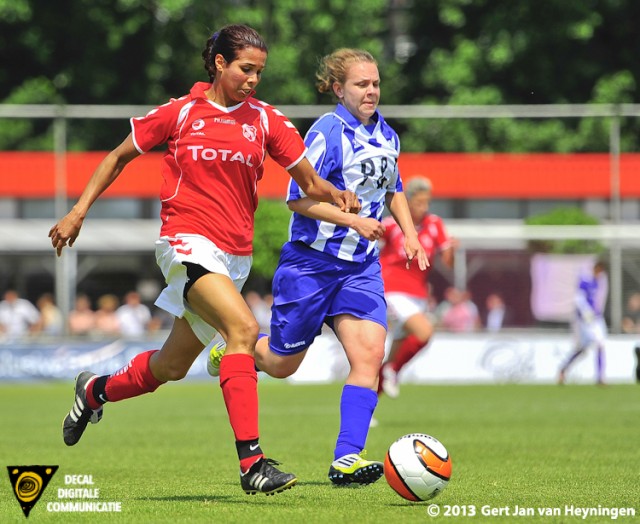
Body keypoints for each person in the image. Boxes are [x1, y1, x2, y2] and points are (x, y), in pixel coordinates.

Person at [48, 24, 359, 496]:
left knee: (169, 369)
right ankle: (252, 463)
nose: (254, 79)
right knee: (243, 330)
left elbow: (310, 182)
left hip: (233, 257)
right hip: (186, 242)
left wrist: (338, 195)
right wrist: (77, 211)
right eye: (245, 68)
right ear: (219, 64)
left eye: (259, 71)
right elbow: (117, 156)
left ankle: (93, 391)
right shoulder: (181, 112)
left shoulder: (267, 121)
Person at [207, 48, 428, 486]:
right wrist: (352, 219)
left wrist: (411, 235)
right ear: (337, 88)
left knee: (369, 355)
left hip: (360, 268)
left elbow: (394, 187)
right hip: (310, 265)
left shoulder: (388, 135)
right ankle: (235, 349)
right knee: (283, 364)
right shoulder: (326, 132)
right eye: (361, 84)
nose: (371, 91)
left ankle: (347, 457)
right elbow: (296, 197)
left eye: (376, 83)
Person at [377, 176, 456, 400]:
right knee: (424, 331)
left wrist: (451, 251)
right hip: (392, 289)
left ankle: (368, 407)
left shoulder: (435, 224)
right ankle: (394, 371)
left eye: (427, 202)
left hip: (418, 293)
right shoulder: (392, 224)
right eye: (419, 202)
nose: (424, 207)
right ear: (407, 201)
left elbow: (447, 262)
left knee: (394, 354)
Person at [558, 260, 608, 385]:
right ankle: (563, 369)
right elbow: (579, 299)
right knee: (583, 348)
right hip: (584, 320)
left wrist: (595, 313)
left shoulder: (598, 282)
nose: (599, 274)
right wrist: (586, 312)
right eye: (598, 271)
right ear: (595, 269)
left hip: (595, 318)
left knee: (601, 345)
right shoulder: (585, 281)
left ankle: (600, 378)